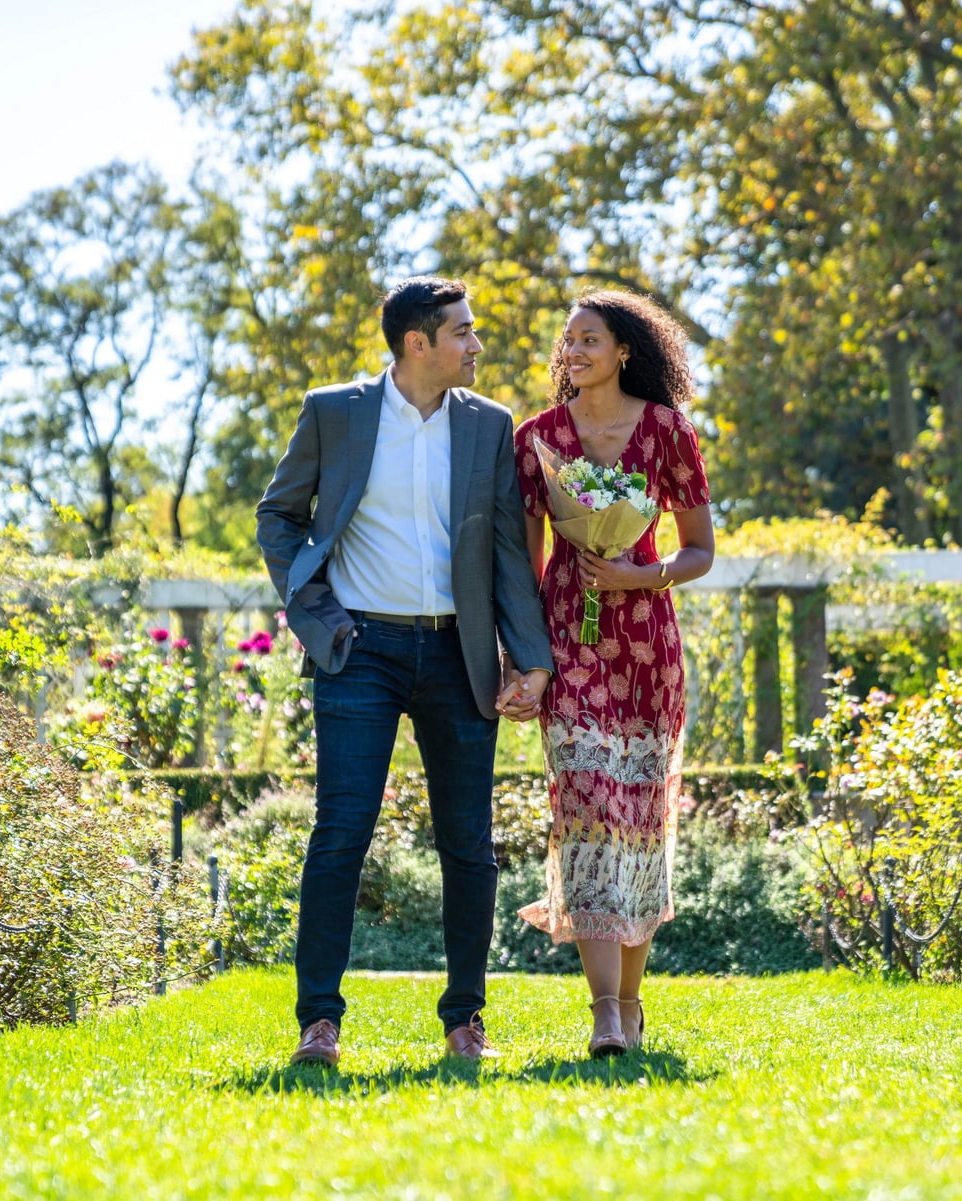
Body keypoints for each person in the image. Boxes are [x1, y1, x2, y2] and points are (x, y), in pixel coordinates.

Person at [257, 276, 555, 1068]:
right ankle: (318, 1021)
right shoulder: (335, 412)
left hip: (459, 653)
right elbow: (278, 516)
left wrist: (529, 658)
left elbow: (502, 549)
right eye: (462, 331)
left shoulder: (489, 425)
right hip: (361, 653)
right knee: (340, 834)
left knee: (469, 844)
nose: (475, 344)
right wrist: (317, 615)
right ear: (417, 342)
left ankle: (465, 1020)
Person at [514, 290, 715, 1057]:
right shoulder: (537, 440)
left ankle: (630, 1003)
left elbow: (699, 547)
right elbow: (528, 561)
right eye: (566, 341)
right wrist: (525, 657)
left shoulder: (668, 432)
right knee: (587, 812)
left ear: (625, 348)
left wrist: (643, 576)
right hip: (568, 639)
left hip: (646, 650)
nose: (573, 351)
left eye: (588, 338)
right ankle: (603, 1010)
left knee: (637, 826)